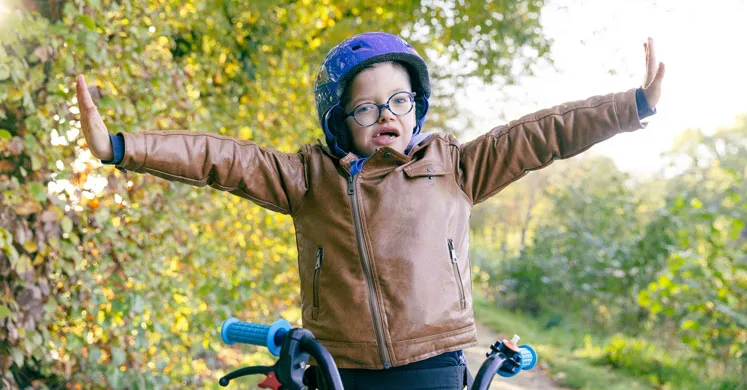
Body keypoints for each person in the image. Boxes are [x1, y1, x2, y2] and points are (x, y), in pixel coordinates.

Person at [76, 32, 665, 389]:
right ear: (340, 121)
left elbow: (545, 135)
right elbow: (218, 158)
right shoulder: (307, 179)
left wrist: (630, 104)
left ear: (417, 107)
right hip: (342, 368)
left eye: (400, 100)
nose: (387, 113)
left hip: (434, 364)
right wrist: (122, 148)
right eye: (366, 108)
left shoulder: (457, 167)